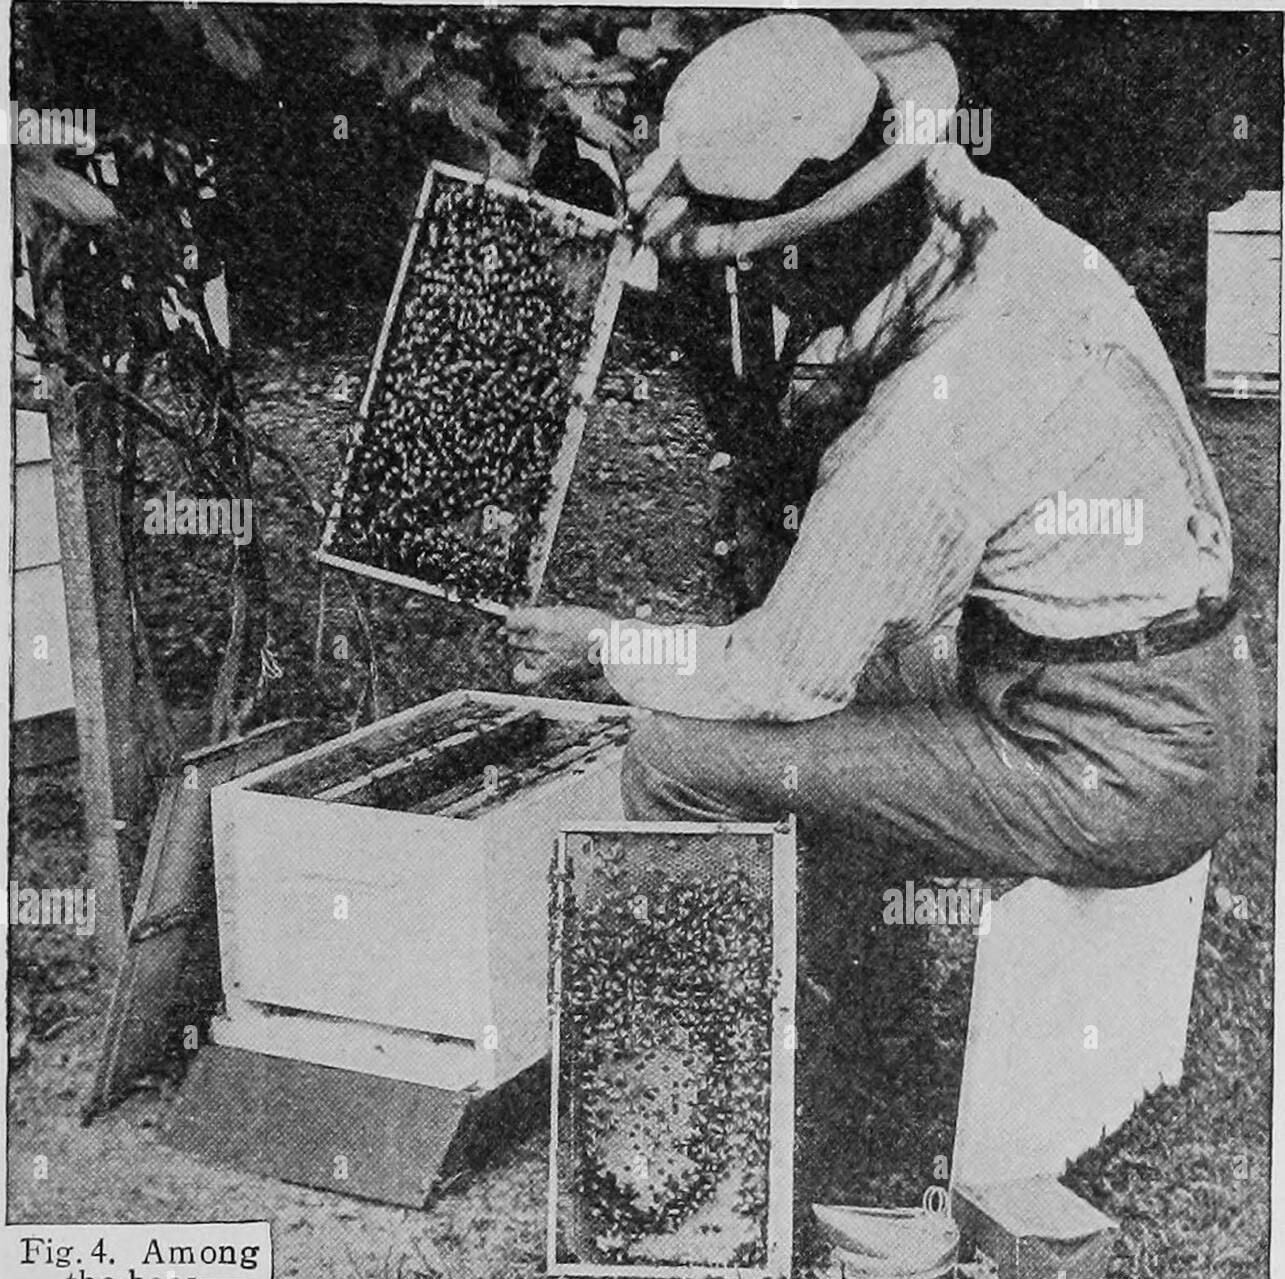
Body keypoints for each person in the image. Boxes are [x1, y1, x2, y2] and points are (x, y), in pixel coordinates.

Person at [506, 15, 1259, 889]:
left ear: (798, 258)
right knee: (865, 689)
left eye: (754, 262)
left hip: (1112, 767)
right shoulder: (991, 223)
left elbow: (780, 676)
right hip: (1185, 684)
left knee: (679, 757)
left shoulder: (922, 429)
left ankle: (718, 1022)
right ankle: (850, 997)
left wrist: (604, 644)